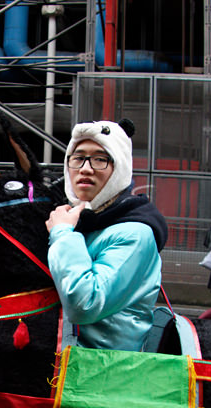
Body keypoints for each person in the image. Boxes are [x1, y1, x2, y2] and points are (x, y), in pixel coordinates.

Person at [45, 119, 167, 351]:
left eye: (100, 159)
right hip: (64, 367)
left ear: (119, 168)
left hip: (107, 374)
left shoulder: (135, 233)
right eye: (78, 158)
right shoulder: (80, 220)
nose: (86, 168)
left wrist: (62, 234)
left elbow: (85, 304)